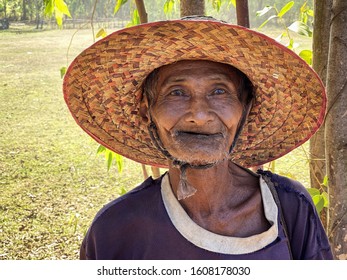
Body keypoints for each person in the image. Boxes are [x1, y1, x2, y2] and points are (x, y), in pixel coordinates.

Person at [63, 16, 333, 259]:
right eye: (177, 93)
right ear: (148, 111)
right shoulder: (114, 229)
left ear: (245, 108)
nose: (200, 115)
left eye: (219, 91)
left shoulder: (289, 207)